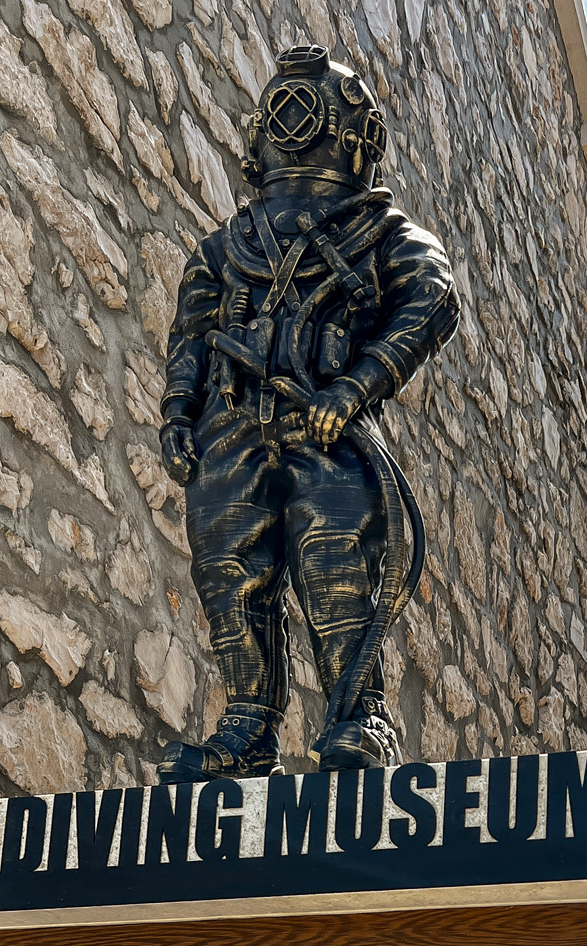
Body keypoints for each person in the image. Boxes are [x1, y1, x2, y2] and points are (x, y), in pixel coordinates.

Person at [157, 42, 460, 777]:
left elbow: (432, 298)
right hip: (231, 425)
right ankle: (247, 723)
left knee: (337, 567)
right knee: (229, 572)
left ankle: (358, 718)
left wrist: (355, 388)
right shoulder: (230, 245)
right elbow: (192, 333)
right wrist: (178, 411)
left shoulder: (383, 235)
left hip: (327, 426)